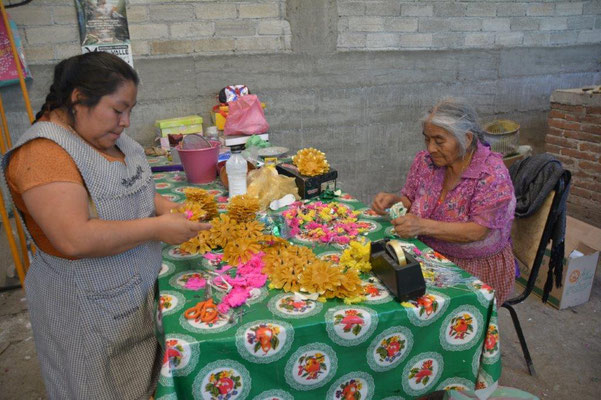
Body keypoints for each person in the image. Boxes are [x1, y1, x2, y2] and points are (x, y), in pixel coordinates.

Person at [1, 52, 209, 399]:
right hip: (87, 311)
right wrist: (157, 228)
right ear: (78, 98)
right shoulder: (43, 155)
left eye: (130, 110)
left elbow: (126, 188)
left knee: (141, 384)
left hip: (131, 294)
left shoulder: (108, 138)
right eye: (118, 109)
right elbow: (74, 238)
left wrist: (164, 208)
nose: (125, 122)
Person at [372, 99, 516, 304]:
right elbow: (412, 200)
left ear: (466, 139)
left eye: (439, 141)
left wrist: (421, 226)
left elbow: (477, 231)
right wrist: (394, 201)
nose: (431, 148)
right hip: (425, 252)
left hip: (470, 269)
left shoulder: (491, 174)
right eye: (427, 139)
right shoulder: (426, 162)